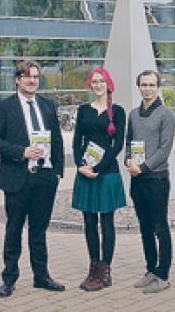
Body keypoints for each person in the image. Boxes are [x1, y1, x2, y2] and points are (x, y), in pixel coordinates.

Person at [0, 60, 66, 298]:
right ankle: (9, 279)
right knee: (14, 230)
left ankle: (41, 277)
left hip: (44, 178)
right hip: (18, 178)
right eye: (28, 76)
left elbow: (58, 140)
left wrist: (57, 173)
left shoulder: (47, 105)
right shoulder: (4, 107)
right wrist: (22, 151)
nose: (32, 81)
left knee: (39, 231)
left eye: (36, 77)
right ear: (18, 79)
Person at [71, 67, 126, 291]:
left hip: (107, 172)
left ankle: (105, 270)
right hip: (86, 172)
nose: (97, 85)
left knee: (107, 221)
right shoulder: (83, 110)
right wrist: (80, 165)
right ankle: (93, 267)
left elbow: (118, 144)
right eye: (94, 81)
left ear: (108, 84)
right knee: (89, 222)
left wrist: (99, 168)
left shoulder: (118, 112)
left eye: (101, 81)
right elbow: (77, 141)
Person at [125, 69, 175, 294]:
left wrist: (143, 167)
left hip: (156, 179)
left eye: (151, 85)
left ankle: (163, 274)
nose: (147, 89)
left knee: (159, 226)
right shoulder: (134, 114)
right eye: (143, 85)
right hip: (137, 179)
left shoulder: (165, 114)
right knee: (144, 227)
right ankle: (150, 269)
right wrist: (128, 161)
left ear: (158, 87)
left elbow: (165, 149)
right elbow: (129, 142)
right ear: (139, 87)